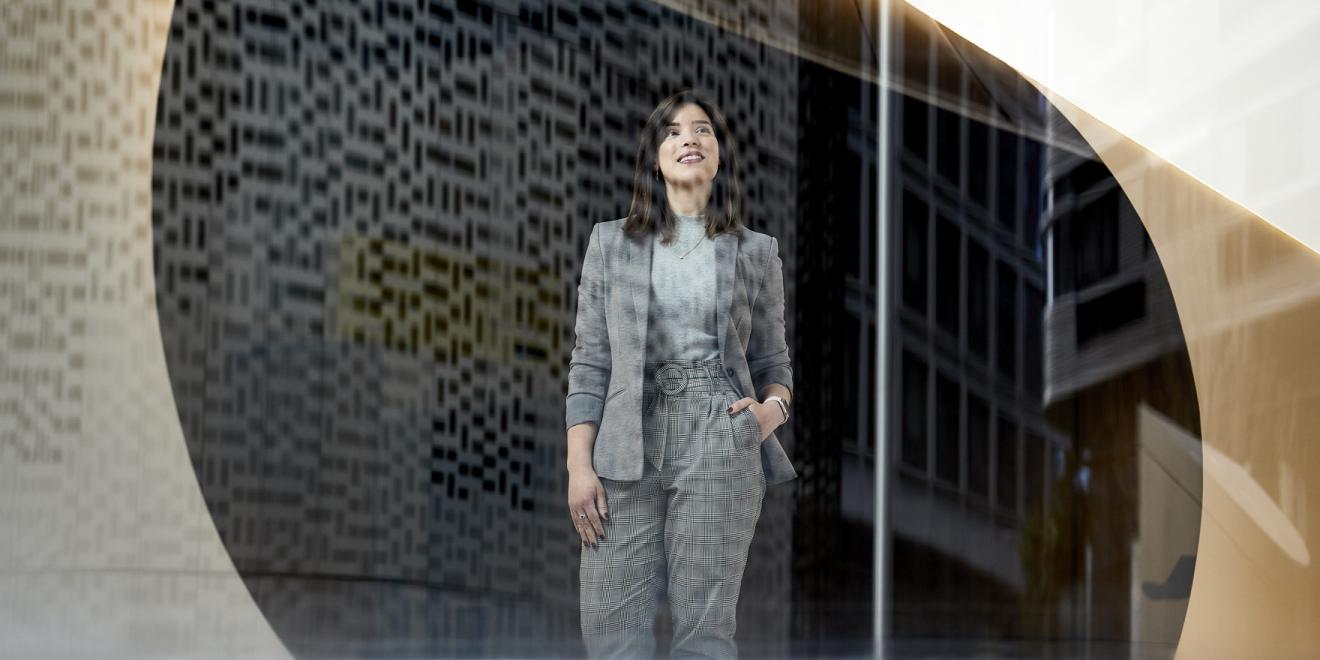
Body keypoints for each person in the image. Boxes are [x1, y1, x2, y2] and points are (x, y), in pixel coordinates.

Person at [564, 88, 798, 659]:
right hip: (624, 444)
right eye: (671, 131)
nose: (687, 138)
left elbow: (774, 363)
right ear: (655, 157)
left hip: (719, 434)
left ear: (718, 156)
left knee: (704, 636)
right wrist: (578, 468)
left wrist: (773, 410)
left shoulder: (756, 253)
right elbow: (590, 364)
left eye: (702, 130)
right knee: (610, 630)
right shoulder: (609, 244)